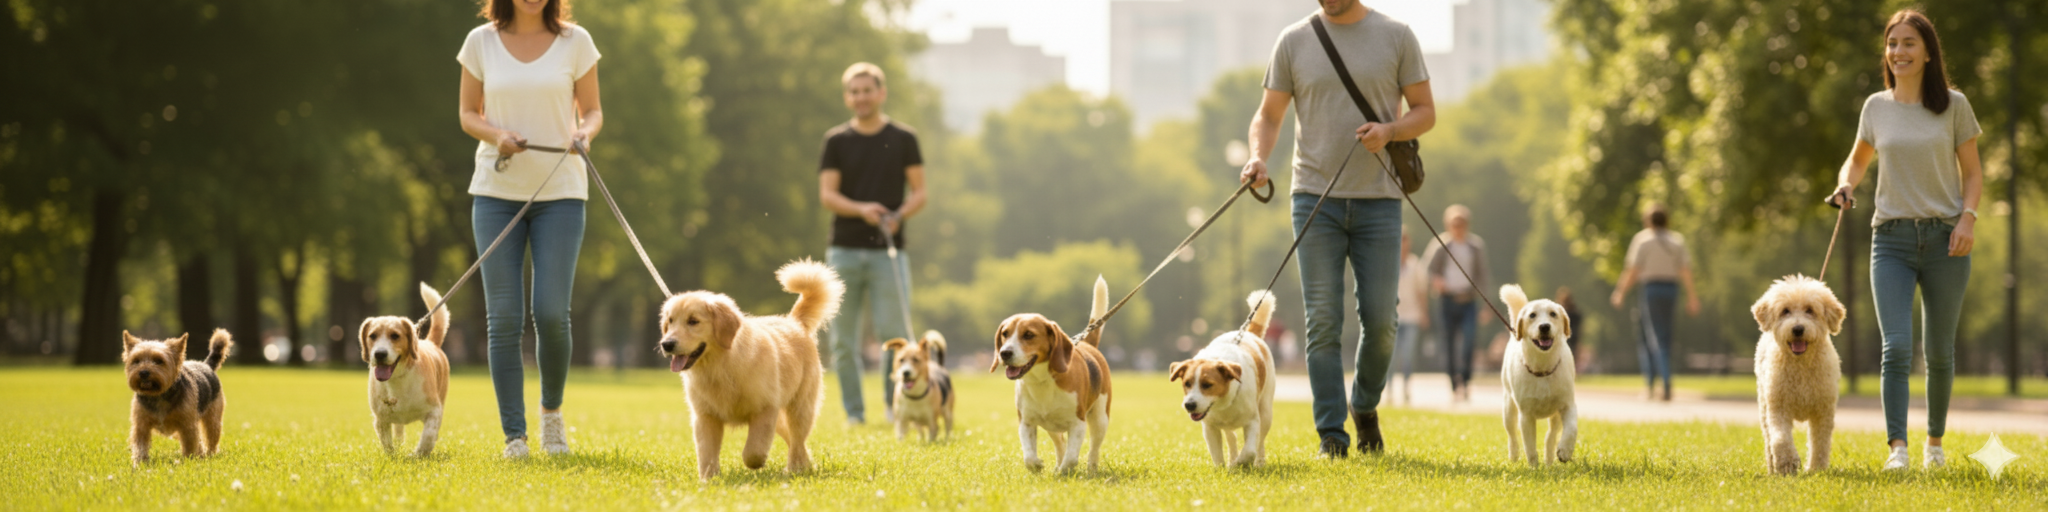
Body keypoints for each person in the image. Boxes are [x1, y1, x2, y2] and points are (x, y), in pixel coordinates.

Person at [1240, 0, 1434, 458]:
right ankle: (1332, 434)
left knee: (1383, 321)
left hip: (1380, 202)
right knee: (1323, 322)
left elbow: (1425, 111)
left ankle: (1364, 406)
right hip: (1313, 199)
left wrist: (1390, 130)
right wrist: (1258, 156)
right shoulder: (1293, 40)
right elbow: (1268, 115)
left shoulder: (1397, 35)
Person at [1825, 9, 1981, 471]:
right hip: (1890, 238)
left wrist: (1967, 220)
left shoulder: (1954, 105)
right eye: (1892, 44)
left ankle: (1934, 444)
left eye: (1909, 43)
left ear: (1928, 52)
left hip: (1946, 239)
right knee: (1894, 346)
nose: (1899, 52)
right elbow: (1855, 161)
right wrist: (1846, 184)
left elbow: (1972, 173)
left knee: (1938, 351)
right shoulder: (1876, 106)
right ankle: (1898, 449)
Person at [456, 0, 603, 458]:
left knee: (552, 313)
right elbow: (467, 113)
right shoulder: (479, 42)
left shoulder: (575, 42)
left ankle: (552, 415)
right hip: (496, 193)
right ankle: (514, 437)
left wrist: (585, 134)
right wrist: (495, 135)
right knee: (503, 319)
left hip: (560, 191)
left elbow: (594, 111)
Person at [818, 62, 927, 426]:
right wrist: (861, 209)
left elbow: (920, 192)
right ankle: (854, 414)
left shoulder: (903, 138)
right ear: (848, 97)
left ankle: (892, 405)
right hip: (844, 251)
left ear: (881, 93)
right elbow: (828, 195)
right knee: (842, 341)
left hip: (888, 253)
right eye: (854, 91)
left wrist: (898, 215)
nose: (861, 97)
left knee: (893, 337)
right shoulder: (836, 141)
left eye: (867, 90)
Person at [1610, 203, 1701, 402]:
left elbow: (1632, 270)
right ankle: (1660, 383)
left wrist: (1620, 293)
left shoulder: (1642, 240)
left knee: (1651, 337)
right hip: (1671, 289)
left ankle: (1657, 384)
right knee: (1664, 337)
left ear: (1648, 220)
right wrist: (1692, 297)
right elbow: (1685, 270)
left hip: (1650, 290)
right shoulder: (1677, 240)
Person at [1423, 205, 1488, 404]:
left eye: (1461, 224)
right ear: (1448, 225)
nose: (1457, 228)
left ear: (1467, 225)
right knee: (1449, 343)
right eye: (1454, 224)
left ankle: (1465, 380)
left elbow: (1483, 276)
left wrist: (1486, 305)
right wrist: (1436, 281)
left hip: (1468, 300)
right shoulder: (1440, 244)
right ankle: (1453, 384)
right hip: (1447, 300)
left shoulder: (1475, 246)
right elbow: (1426, 270)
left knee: (1469, 341)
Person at [1384, 227, 1429, 405]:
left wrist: (1424, 313)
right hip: (1392, 317)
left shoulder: (1415, 264)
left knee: (1408, 355)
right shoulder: (1388, 262)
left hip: (1411, 317)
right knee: (1391, 355)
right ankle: (1388, 388)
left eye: (1405, 240)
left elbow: (1421, 292)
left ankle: (1406, 387)